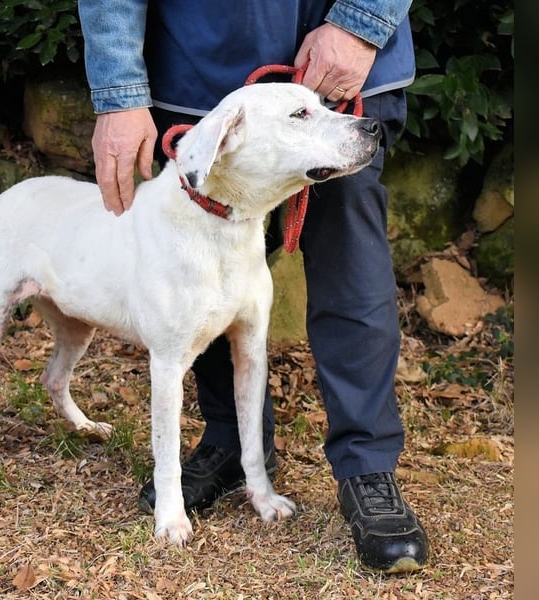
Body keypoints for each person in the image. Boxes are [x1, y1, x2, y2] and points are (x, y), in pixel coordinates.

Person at [77, 0, 429, 573]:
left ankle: (368, 468)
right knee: (196, 262)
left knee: (351, 259)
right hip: (195, 64)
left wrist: (361, 24)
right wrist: (118, 92)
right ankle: (230, 442)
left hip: (343, 54)